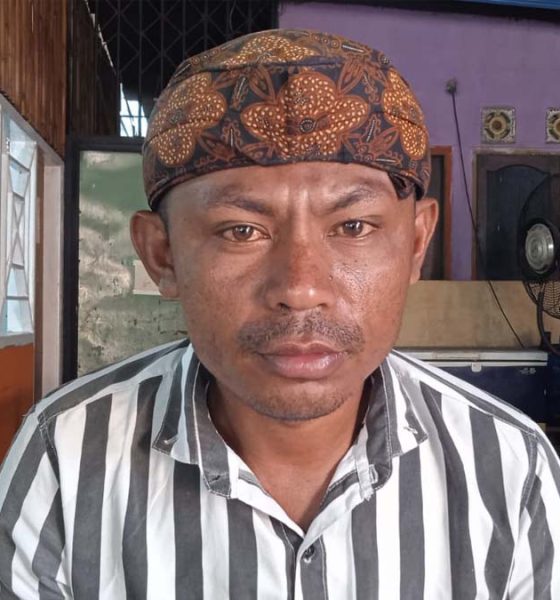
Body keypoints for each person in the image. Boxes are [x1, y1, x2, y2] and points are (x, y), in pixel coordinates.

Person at [0, 28, 559, 600]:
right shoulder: (65, 462)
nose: (301, 288)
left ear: (416, 244)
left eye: (353, 227)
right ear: (162, 256)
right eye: (241, 230)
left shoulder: (512, 472)